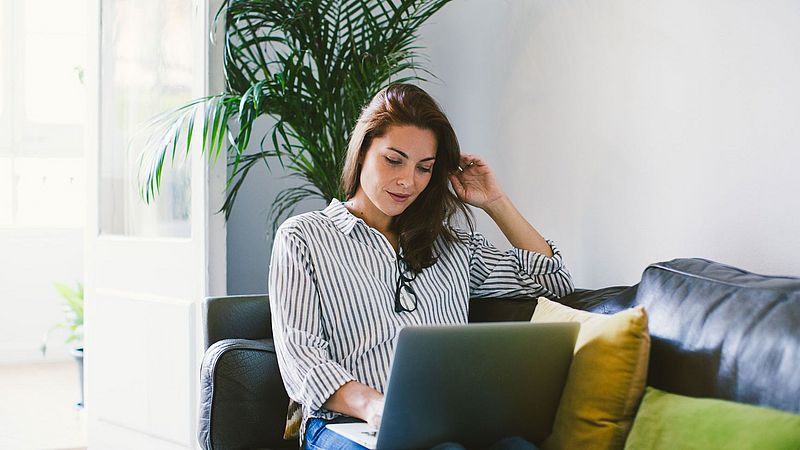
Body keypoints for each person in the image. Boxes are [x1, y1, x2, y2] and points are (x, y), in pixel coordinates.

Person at [269, 83, 574, 450]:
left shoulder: (452, 247)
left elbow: (554, 282)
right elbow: (301, 358)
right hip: (345, 425)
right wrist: (376, 406)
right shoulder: (303, 237)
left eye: (424, 168)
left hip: (449, 422)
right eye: (394, 160)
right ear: (363, 151)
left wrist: (496, 202)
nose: (407, 182)